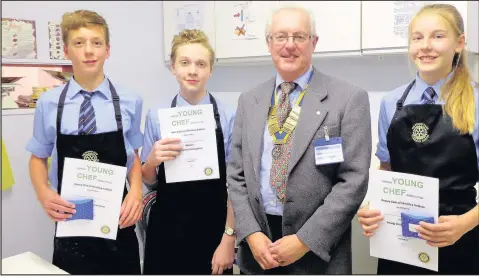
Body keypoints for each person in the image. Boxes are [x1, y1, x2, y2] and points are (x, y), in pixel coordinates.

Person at [227, 4, 372, 274]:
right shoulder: (249, 100)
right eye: (281, 37)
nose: (289, 45)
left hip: (317, 254)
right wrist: (251, 232)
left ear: (313, 42)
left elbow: (353, 181)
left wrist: (305, 241)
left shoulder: (348, 99)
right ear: (269, 43)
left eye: (299, 37)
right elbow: (236, 175)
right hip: (259, 251)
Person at [357, 4, 479, 275]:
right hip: (400, 239)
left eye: (437, 36)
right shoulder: (392, 102)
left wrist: (465, 224)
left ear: (459, 42)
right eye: (417, 37)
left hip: (459, 235)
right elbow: (386, 171)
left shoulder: (476, 100)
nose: (426, 46)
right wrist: (372, 209)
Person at [26, 10, 143, 274]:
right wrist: (43, 193)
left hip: (119, 220)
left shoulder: (130, 100)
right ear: (67, 51)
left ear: (108, 50)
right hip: (71, 221)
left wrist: (136, 192)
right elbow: (37, 158)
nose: (88, 51)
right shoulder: (49, 103)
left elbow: (134, 156)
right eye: (79, 43)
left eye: (96, 42)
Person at [141, 29, 236, 275]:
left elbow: (237, 184)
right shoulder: (157, 116)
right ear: (173, 67)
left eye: (200, 64)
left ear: (210, 70)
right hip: (167, 231)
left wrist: (229, 238)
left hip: (213, 229)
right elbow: (149, 181)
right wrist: (151, 160)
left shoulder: (228, 116)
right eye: (185, 63)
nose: (192, 70)